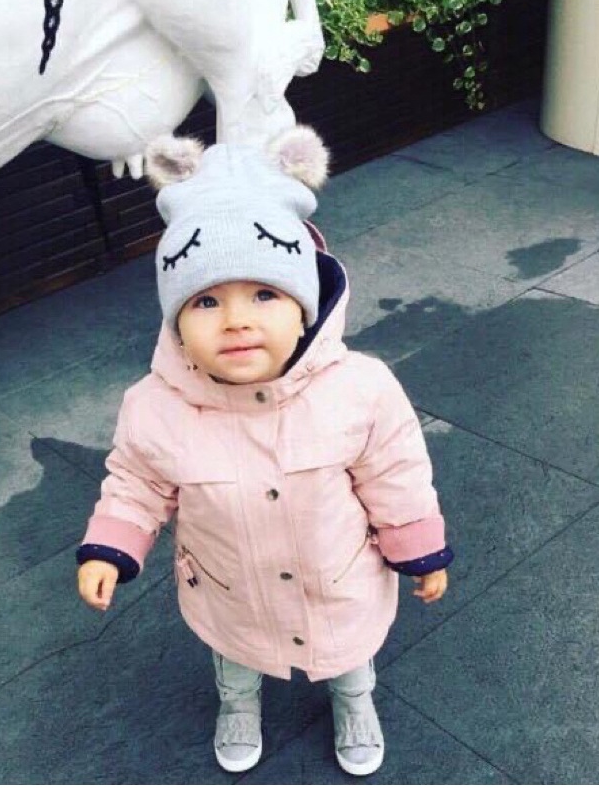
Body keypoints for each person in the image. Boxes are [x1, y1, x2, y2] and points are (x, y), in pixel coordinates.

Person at [76, 125, 454, 777]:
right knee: (235, 651)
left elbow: (396, 473)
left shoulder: (359, 388)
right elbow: (136, 481)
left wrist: (416, 546)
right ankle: (239, 704)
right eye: (205, 300)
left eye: (264, 294)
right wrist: (111, 546)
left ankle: (355, 700)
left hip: (337, 576)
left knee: (348, 652)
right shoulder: (156, 405)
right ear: (176, 321)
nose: (236, 320)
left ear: (303, 308)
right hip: (230, 583)